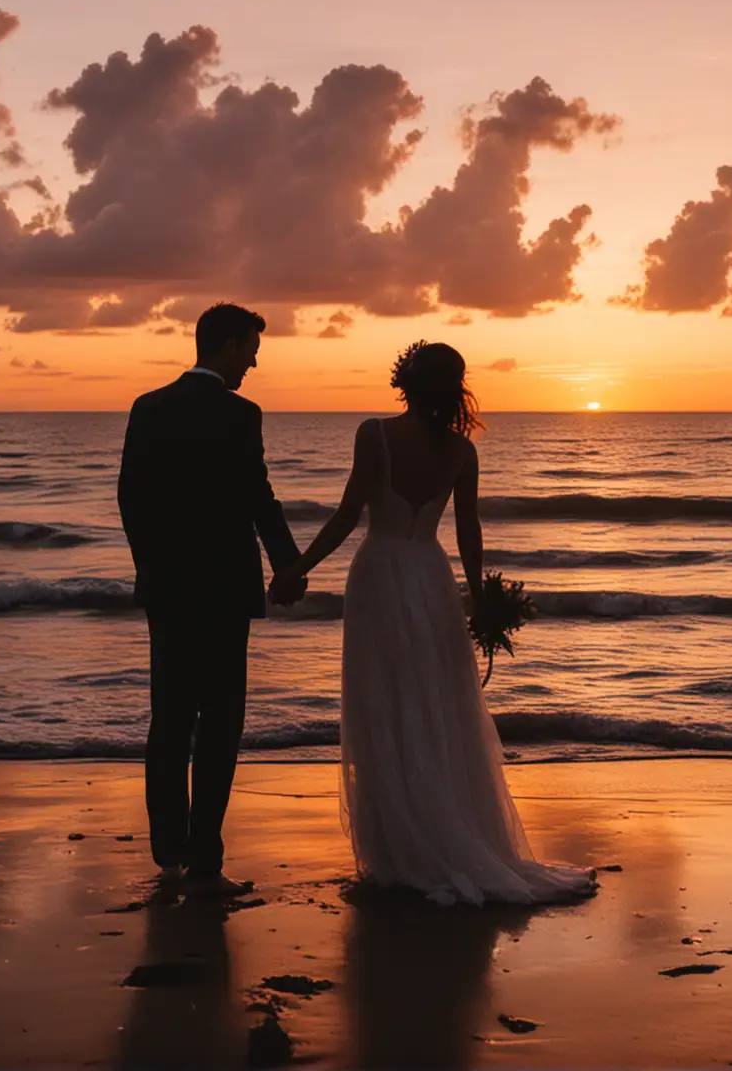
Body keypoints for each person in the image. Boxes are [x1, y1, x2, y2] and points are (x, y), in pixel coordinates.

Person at [274, 341, 597, 906]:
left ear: (406, 381)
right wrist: (478, 598)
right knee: (435, 706)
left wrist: (296, 569)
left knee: (385, 704)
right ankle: (443, 832)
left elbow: (350, 516)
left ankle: (399, 848)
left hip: (379, 576)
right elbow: (468, 534)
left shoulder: (374, 435)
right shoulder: (461, 452)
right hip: (430, 576)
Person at [116, 303, 305, 890]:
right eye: (250, 349)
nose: (252, 361)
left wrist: (152, 568)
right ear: (225, 346)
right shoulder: (239, 414)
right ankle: (205, 862)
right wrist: (288, 565)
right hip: (224, 590)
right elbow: (258, 497)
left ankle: (168, 849)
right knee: (220, 724)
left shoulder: (147, 408)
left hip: (168, 592)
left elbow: (130, 498)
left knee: (169, 719)